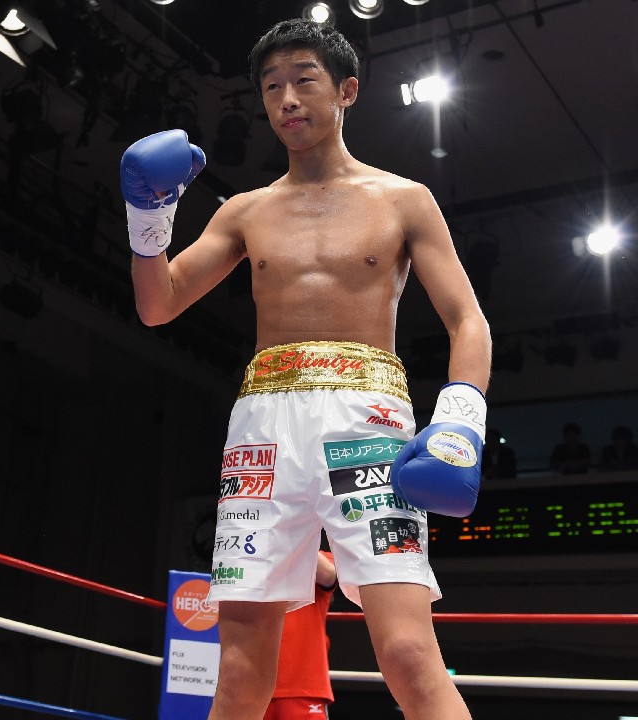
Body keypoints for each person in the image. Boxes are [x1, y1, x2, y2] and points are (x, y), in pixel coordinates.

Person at [122, 19, 490, 720]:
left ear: (346, 90)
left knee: (409, 653)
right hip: (263, 429)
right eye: (271, 88)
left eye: (303, 80)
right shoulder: (245, 211)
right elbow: (158, 305)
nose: (286, 99)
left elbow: (467, 321)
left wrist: (461, 420)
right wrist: (149, 220)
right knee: (238, 670)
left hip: (368, 422)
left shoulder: (403, 199)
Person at [266, 550, 336, 720]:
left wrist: (292, 539)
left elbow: (329, 576)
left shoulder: (320, 558)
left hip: (303, 686)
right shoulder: (257, 559)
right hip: (254, 686)